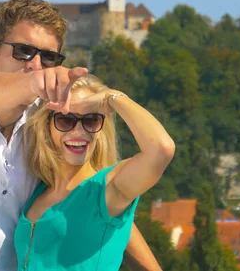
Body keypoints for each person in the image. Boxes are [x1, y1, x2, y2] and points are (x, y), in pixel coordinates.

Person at [0, 0, 162, 271]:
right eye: (23, 51)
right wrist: (33, 83)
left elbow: (95, 201)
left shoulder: (48, 127)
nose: (35, 64)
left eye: (48, 57)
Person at [15, 75, 175, 270]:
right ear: (46, 125)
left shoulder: (106, 192)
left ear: (101, 128)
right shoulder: (37, 192)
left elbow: (161, 150)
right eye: (66, 119)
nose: (79, 131)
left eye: (91, 120)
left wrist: (110, 98)